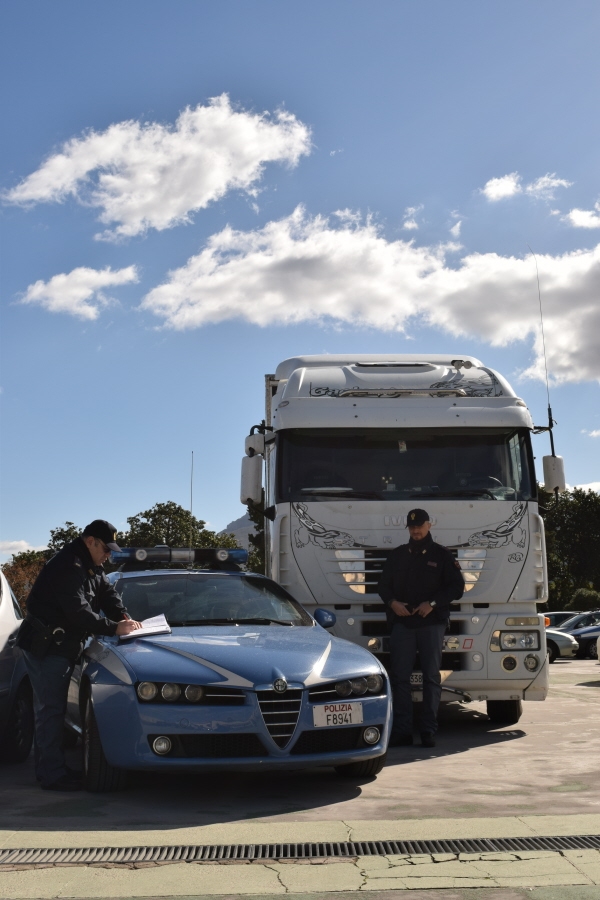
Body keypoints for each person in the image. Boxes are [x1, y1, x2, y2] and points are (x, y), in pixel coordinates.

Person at [16, 520, 142, 791]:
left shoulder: (91, 565)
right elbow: (78, 611)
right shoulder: (67, 565)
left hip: (60, 645)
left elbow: (107, 594)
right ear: (90, 541)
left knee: (54, 710)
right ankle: (51, 776)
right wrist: (114, 627)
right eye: (105, 549)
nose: (108, 555)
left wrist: (123, 617)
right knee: (50, 711)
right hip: (46, 646)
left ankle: (54, 769)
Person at [378, 508, 464, 748]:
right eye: (412, 527)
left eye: (420, 526)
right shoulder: (397, 556)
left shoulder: (443, 555)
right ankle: (403, 731)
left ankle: (428, 731)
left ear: (429, 525)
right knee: (400, 679)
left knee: (431, 678)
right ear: (408, 528)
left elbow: (457, 587)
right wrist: (393, 603)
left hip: (431, 623)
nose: (416, 530)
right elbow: (383, 587)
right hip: (403, 624)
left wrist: (433, 604)